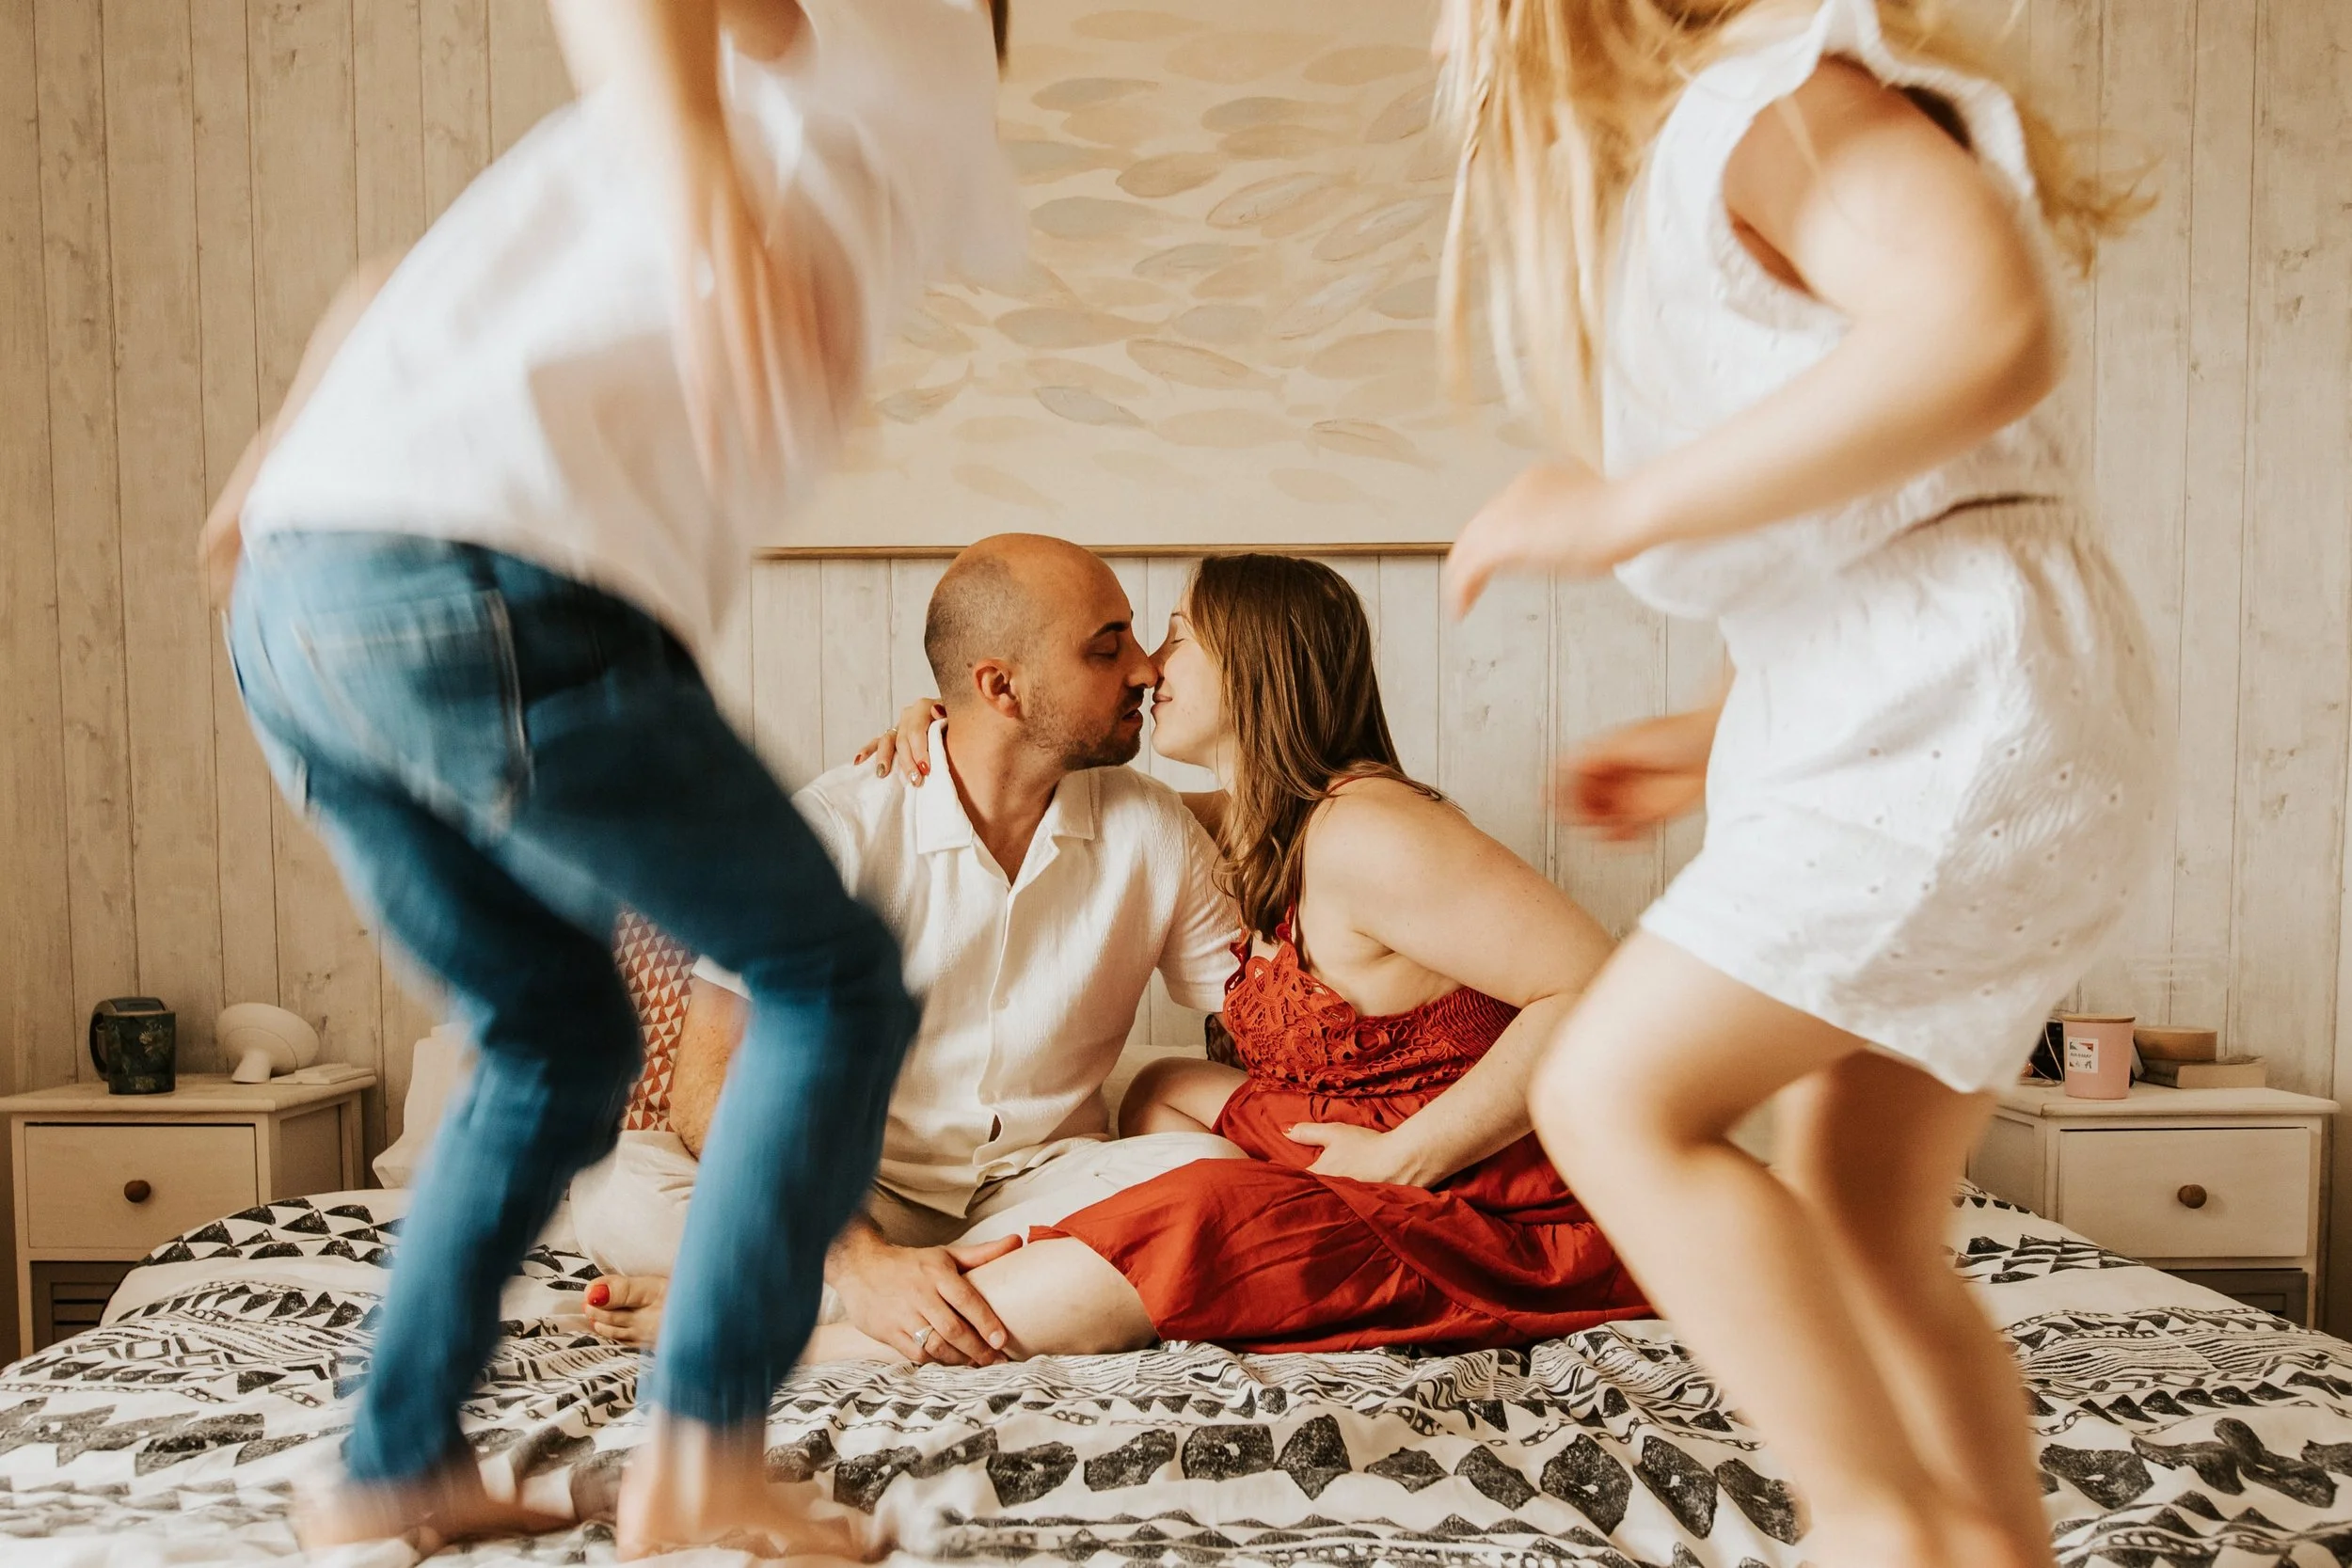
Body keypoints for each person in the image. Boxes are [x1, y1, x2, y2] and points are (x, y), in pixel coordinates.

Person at [201, 0, 1020, 1555]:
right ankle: (702, 1460)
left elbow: (389, 282)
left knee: (555, 1036)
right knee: (828, 980)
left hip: (304, 595)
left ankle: (390, 1465)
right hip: (481, 583)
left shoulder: (854, 103)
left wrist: (301, 444)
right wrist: (708, 179)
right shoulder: (912, 38)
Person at [1434, 3, 2160, 1567]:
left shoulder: (1773, 103)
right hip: (1963, 702)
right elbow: (1867, 506)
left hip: (1952, 712)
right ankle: (1983, 1545)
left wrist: (1624, 509)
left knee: (1614, 1090)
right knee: (1861, 1210)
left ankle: (1873, 1526)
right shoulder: (1750, 127)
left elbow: (1983, 328)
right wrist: (1709, 733)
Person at [847, 553, 1648, 1361]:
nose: (1149, 668)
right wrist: (963, 725)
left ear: (1257, 664)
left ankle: (843, 1348)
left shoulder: (1370, 831)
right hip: (1367, 1131)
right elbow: (1041, 788)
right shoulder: (1266, 819)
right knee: (1161, 1086)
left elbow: (1597, 987)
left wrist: (1403, 1159)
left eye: (1175, 637)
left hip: (1499, 1194)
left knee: (1200, 1208)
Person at [573, 534, 1246, 1366]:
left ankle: (800, 1327)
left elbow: (1252, 1019)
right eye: (1108, 647)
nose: (1145, 668)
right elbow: (706, 1088)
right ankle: (954, 1300)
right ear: (1000, 686)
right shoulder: (830, 831)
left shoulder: (1155, 828)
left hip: (1042, 1189)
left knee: (1215, 1181)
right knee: (619, 1193)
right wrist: (858, 1260)